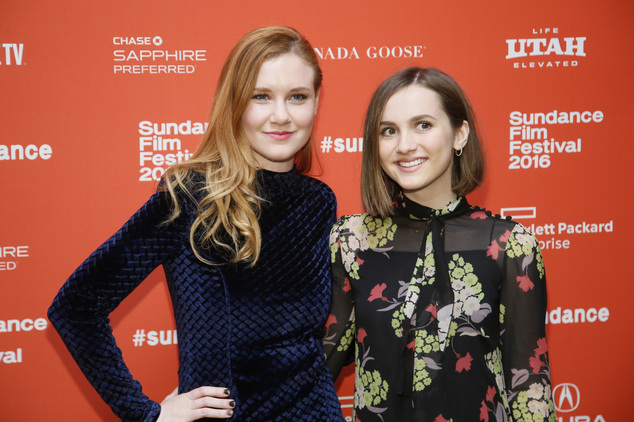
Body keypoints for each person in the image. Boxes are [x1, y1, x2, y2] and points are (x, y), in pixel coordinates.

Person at [48, 26, 344, 422]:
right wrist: (145, 414)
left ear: (316, 101)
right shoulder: (191, 195)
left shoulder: (318, 202)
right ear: (235, 103)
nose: (281, 115)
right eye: (261, 96)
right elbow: (76, 307)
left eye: (297, 97)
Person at [324, 67, 556, 421]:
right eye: (388, 131)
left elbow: (530, 389)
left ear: (459, 134)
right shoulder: (351, 241)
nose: (404, 145)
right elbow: (316, 362)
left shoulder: (510, 244)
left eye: (423, 125)